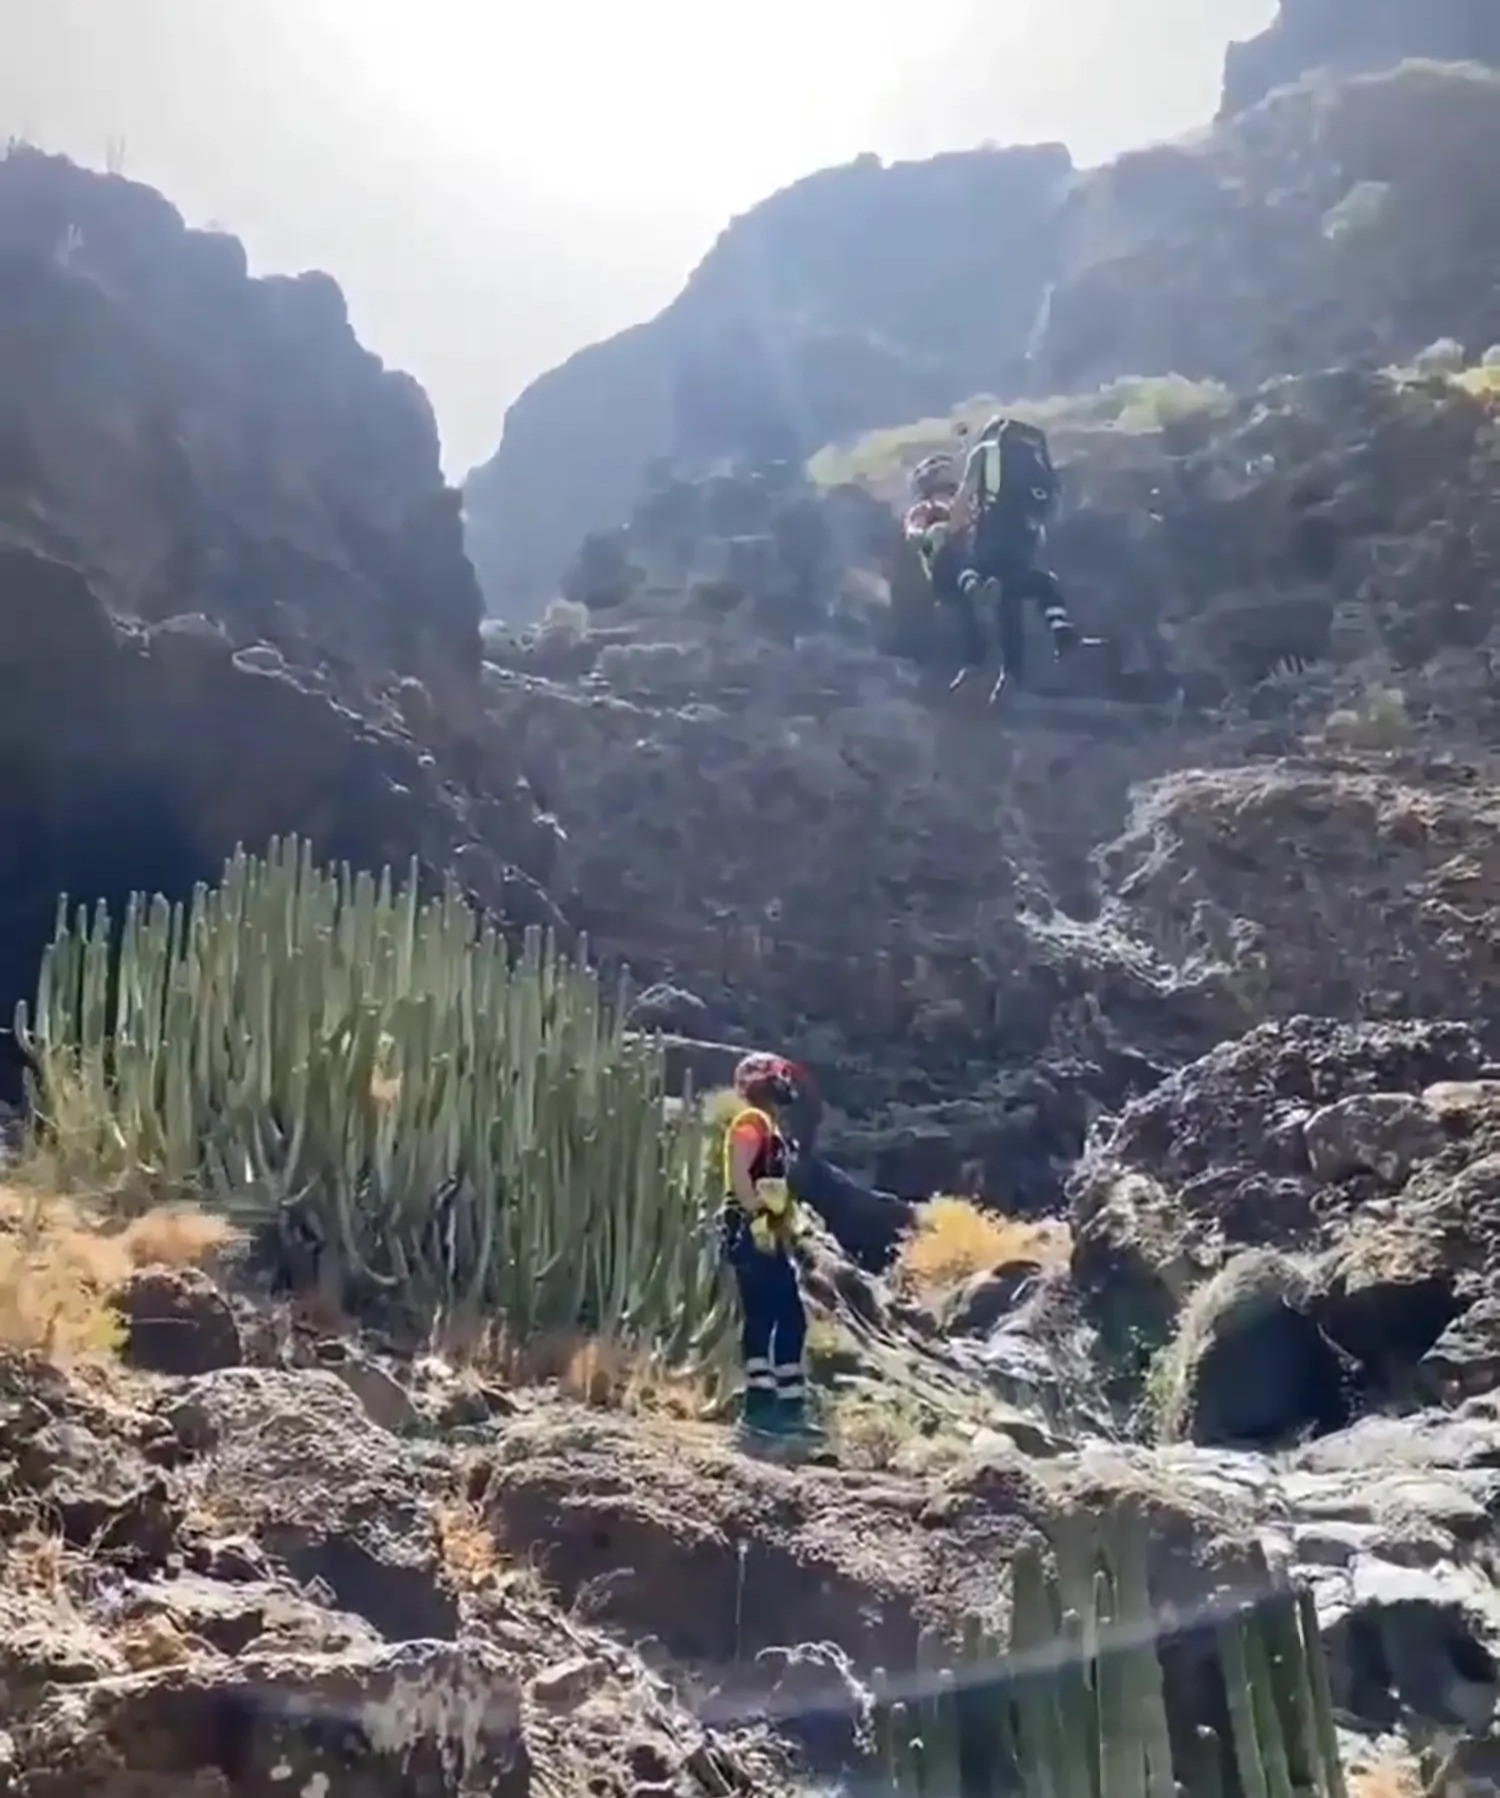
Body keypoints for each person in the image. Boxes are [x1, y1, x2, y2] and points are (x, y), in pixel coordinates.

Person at [946, 415, 1094, 703]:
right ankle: (1011, 673)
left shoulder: (984, 452)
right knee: (1011, 599)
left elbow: (964, 498)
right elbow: (1052, 508)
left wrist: (952, 532)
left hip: (990, 535)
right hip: (1025, 541)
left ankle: (975, 662)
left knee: (971, 581)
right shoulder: (1038, 457)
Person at [720, 1052, 810, 1439]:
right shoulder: (750, 1123)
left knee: (777, 1315)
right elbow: (741, 1173)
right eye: (778, 1078)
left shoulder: (769, 1127)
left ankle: (774, 1404)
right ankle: (772, 1408)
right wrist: (756, 1214)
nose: (785, 1085)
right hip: (751, 1228)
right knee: (777, 1314)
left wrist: (788, 1229)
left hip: (766, 1229)